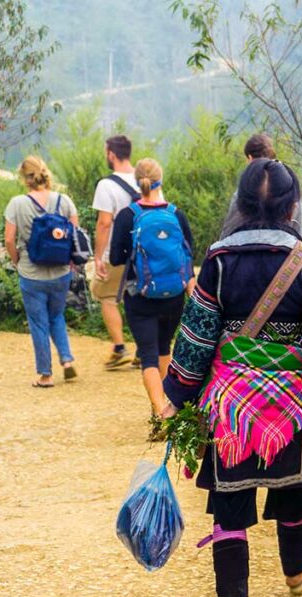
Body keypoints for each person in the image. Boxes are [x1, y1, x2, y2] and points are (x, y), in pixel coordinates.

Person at [160, 159, 302, 597]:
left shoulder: (219, 262)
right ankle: (296, 571)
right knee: (292, 490)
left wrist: (176, 396)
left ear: (241, 205)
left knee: (229, 501)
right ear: (292, 206)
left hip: (230, 404)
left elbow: (197, 338)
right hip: (294, 404)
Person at [108, 158, 194, 429]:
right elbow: (189, 253)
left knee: (147, 355)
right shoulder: (176, 214)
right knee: (164, 348)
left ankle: (160, 413)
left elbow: (115, 259)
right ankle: (169, 405)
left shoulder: (128, 216)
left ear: (138, 181)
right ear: (161, 179)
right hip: (174, 296)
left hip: (141, 296)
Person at [3, 156, 79, 388]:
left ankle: (45, 374)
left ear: (24, 178)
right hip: (60, 272)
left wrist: (17, 261)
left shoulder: (17, 203)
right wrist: (72, 262)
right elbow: (75, 235)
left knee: (38, 322)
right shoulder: (64, 200)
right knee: (56, 316)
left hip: (31, 273)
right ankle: (67, 361)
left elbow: (9, 239)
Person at [92, 134, 141, 369]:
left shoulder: (107, 185)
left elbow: (104, 223)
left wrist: (98, 256)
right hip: (144, 251)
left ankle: (120, 347)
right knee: (139, 297)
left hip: (116, 251)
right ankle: (143, 348)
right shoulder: (146, 178)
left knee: (107, 297)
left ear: (111, 154)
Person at [225, 133, 302, 235]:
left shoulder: (243, 192)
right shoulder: (291, 189)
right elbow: (299, 235)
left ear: (249, 158)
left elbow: (228, 231)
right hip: (285, 248)